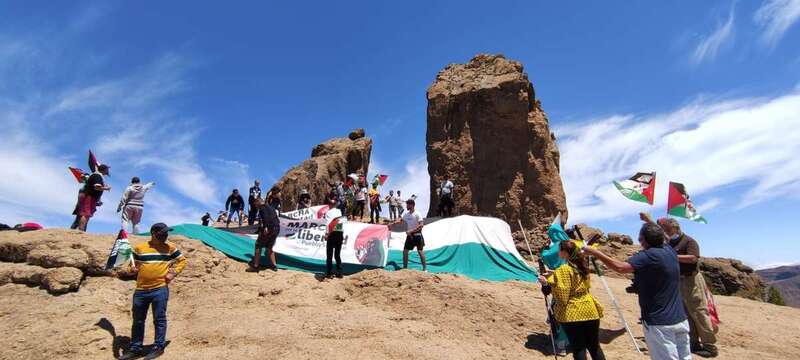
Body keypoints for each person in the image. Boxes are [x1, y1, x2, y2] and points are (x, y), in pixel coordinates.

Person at [583, 223, 690, 360]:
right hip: (680, 319)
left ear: (643, 240)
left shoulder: (648, 256)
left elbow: (620, 267)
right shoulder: (670, 251)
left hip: (659, 323)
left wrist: (595, 253)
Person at [118, 223, 186, 360]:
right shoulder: (140, 248)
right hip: (141, 290)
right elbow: (132, 265)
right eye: (162, 233)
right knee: (138, 320)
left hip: (160, 289)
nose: (165, 236)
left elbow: (182, 260)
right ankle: (135, 348)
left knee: (159, 319)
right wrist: (132, 269)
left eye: (166, 233)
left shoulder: (169, 248)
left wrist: (173, 273)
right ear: (153, 233)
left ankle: (158, 346)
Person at [657, 216, 718, 357]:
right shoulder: (670, 242)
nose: (666, 232)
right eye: (664, 230)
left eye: (667, 229)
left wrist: (672, 256)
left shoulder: (689, 241)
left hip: (691, 280)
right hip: (678, 281)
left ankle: (710, 345)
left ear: (675, 228)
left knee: (698, 311)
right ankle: (693, 342)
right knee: (686, 312)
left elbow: (693, 258)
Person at [538, 240, 606, 360]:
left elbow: (562, 294)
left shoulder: (564, 269)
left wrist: (546, 283)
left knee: (579, 348)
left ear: (565, 253)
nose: (558, 252)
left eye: (559, 250)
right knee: (594, 347)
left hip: (573, 313)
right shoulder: (582, 267)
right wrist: (554, 274)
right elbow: (574, 278)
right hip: (590, 310)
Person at [393, 199, 427, 272]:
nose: (406, 206)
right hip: (410, 236)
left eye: (407, 205)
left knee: (420, 251)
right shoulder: (406, 214)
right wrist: (393, 224)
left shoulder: (417, 214)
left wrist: (411, 231)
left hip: (417, 235)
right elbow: (400, 221)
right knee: (405, 251)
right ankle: (405, 269)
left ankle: (425, 269)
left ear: (412, 205)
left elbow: (421, 225)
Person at [248, 197, 280, 272]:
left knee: (258, 245)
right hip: (276, 228)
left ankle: (255, 266)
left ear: (258, 202)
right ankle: (274, 266)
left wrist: (265, 227)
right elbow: (276, 218)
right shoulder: (271, 207)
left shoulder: (262, 208)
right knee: (269, 247)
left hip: (269, 228)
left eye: (255, 204)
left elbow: (265, 216)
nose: (255, 206)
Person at [78, 164, 111, 231]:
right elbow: (96, 187)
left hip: (90, 196)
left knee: (87, 214)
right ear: (104, 170)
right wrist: (106, 188)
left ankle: (81, 230)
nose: (108, 171)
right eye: (107, 169)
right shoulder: (97, 176)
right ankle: (80, 231)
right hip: (89, 196)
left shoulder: (96, 175)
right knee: (86, 214)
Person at [324, 196, 346, 278]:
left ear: (330, 204)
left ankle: (329, 273)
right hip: (339, 232)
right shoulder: (339, 211)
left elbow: (328, 224)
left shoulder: (328, 212)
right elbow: (341, 221)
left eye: (329, 203)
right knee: (337, 254)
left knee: (329, 254)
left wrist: (326, 234)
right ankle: (340, 273)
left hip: (332, 233)